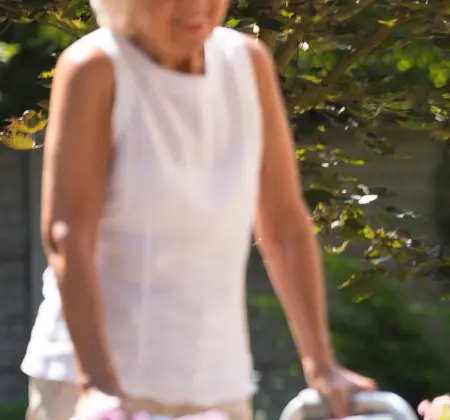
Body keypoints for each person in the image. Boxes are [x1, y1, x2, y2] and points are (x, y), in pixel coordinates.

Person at [22, 0, 376, 418]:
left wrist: (322, 365)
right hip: (93, 382)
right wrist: (99, 387)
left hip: (216, 382)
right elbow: (67, 236)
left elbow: (283, 224)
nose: (194, 7)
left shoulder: (248, 63)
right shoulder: (96, 68)